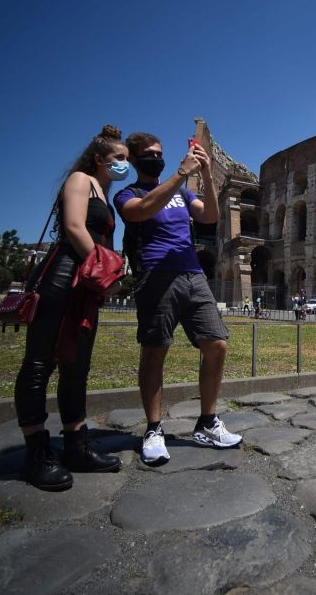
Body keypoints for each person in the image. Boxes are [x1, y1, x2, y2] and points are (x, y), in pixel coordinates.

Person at [115, 132, 241, 464]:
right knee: (156, 350)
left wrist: (207, 175)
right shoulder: (128, 193)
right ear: (133, 159)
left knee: (217, 344)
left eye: (159, 153)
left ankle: (207, 422)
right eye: (149, 154)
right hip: (156, 275)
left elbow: (210, 217)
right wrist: (182, 173)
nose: (156, 158)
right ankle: (154, 428)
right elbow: (140, 211)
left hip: (193, 274)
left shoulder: (183, 195)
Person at [13, 124, 127, 491]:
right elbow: (75, 227)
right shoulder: (80, 180)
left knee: (77, 366)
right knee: (39, 363)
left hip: (85, 282)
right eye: (118, 159)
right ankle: (36, 452)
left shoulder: (105, 193)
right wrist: (108, 271)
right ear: (99, 159)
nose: (125, 165)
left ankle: (76, 444)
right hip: (62, 276)